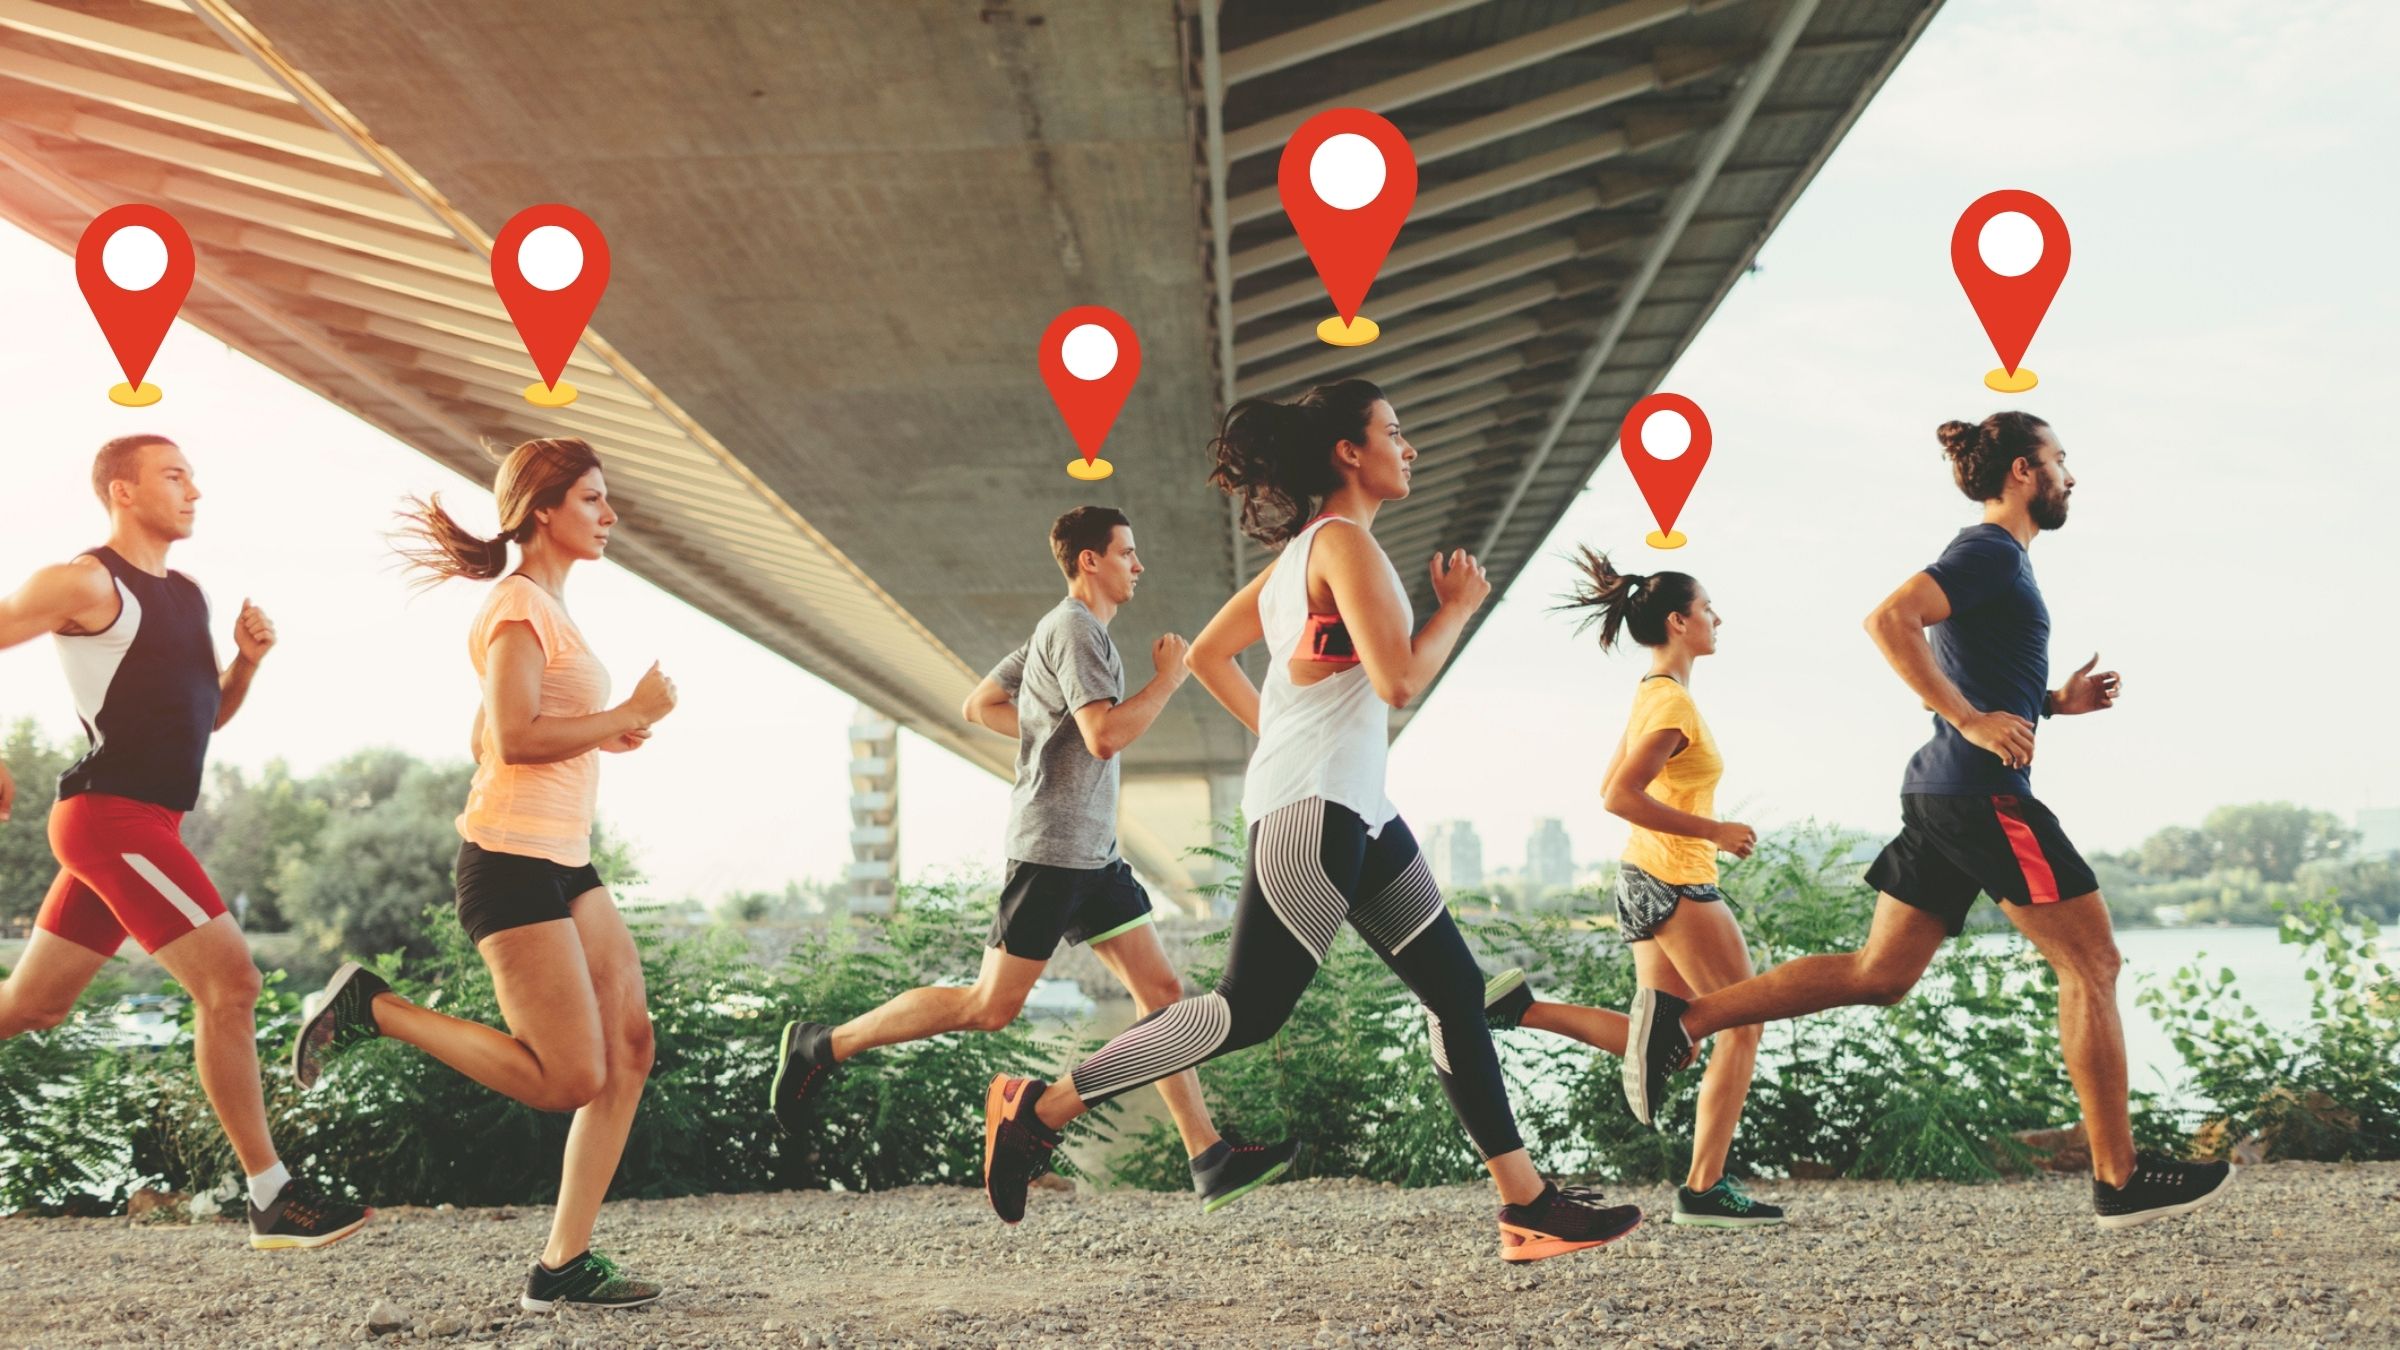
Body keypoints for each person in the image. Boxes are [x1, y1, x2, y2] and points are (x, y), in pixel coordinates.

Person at [977, 379, 1642, 1262]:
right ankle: (1041, 1107)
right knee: (1246, 1009)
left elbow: (1212, 656)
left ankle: (1527, 1206)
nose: (1411, 449)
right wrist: (1455, 611)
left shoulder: (1300, 558)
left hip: (1359, 808)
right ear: (1348, 453)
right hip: (1314, 809)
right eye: (1395, 433)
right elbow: (1400, 681)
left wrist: (1284, 725)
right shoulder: (1342, 547)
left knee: (1456, 993)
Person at [1619, 412, 2235, 1229]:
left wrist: (2050, 705)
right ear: (2023, 471)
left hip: (1942, 794)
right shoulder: (1985, 551)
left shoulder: (1998, 564)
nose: (2070, 475)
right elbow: (1888, 621)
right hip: (1983, 795)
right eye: (2059, 460)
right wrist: (1976, 722)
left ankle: (1685, 1020)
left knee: (1880, 974)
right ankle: (2118, 1181)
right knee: (2094, 964)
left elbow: (1975, 672)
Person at [771, 506, 1297, 1212]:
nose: (1139, 565)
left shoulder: (1064, 631)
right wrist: (1170, 679)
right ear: (1090, 561)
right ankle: (820, 1045)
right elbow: (1106, 737)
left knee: (1163, 996)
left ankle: (1208, 1156)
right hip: (1053, 854)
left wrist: (1045, 735)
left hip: (1096, 857)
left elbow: (979, 703)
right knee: (990, 1007)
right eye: (1127, 552)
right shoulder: (1077, 629)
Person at [294, 437, 679, 1305]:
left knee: (630, 1046)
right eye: (591, 499)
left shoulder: (549, 607)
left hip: (565, 860)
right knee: (567, 1077)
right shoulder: (516, 606)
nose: (609, 515)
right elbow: (511, 740)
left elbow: (487, 738)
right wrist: (625, 710)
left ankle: (563, 1265)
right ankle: (375, 1007)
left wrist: (603, 729)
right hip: (508, 862)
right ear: (543, 510)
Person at [0, 434, 371, 1249]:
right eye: (175, 476)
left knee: (31, 1006)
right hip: (108, 819)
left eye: (194, 476)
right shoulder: (84, 580)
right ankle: (272, 1196)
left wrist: (245, 665)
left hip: (146, 823)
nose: (195, 490)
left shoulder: (189, 595)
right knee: (231, 985)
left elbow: (206, 719)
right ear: (123, 492)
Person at [1481, 548, 1782, 1228]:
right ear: (1679, 621)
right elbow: (1618, 794)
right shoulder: (1670, 702)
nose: (1717, 619)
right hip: (1677, 883)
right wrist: (1714, 829)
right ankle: (1705, 1190)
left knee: (1672, 1040)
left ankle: (1522, 1011)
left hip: (1646, 880)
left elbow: (1606, 788)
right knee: (1743, 1023)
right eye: (1708, 610)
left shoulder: (1653, 692)